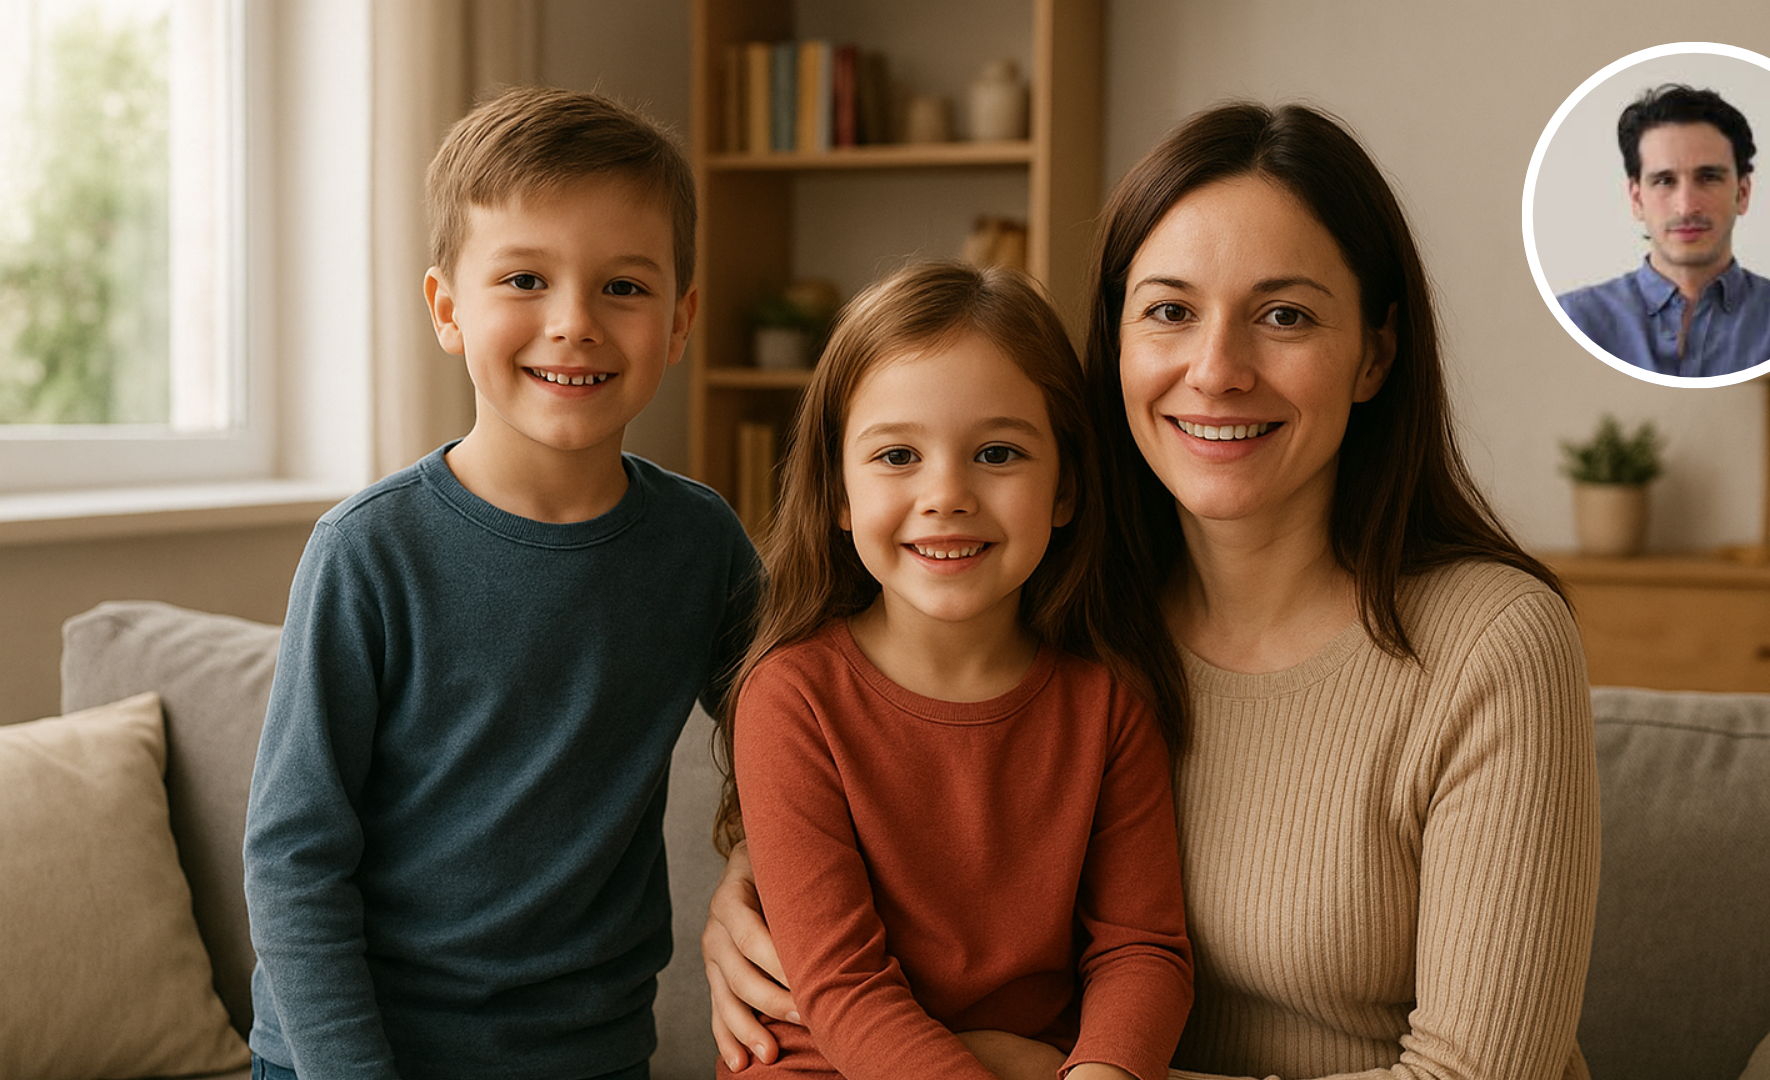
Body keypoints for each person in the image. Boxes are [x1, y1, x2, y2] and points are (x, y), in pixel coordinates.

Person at [705, 102, 1602, 1080]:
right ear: (1117, 343)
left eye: (1285, 315)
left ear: (1377, 354)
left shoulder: (1492, 644)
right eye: (1170, 311)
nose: (1216, 371)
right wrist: (754, 889)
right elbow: (907, 817)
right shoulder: (1079, 614)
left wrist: (1032, 1071)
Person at [243, 86, 759, 1080]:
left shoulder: (702, 545)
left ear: (681, 320)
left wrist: (752, 857)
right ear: (447, 309)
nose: (574, 323)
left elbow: (802, 727)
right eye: (525, 278)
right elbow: (292, 860)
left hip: (593, 1055)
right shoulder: (367, 552)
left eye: (624, 287)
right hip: (355, 1057)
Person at [716, 260, 1193, 1080]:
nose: (947, 494)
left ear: (1067, 487)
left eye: (997, 452)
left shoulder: (1108, 704)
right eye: (898, 455)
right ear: (838, 493)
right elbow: (843, 983)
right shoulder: (792, 698)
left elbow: (1140, 949)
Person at [1555, 83, 1770, 378]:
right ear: (1636, 199)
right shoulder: (1571, 322)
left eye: (1708, 177)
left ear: (1743, 193)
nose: (1685, 207)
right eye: (1664, 180)